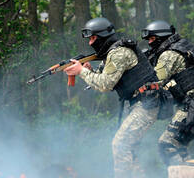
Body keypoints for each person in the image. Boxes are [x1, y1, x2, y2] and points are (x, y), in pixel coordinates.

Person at [64, 17, 161, 177]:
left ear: (103, 36)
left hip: (146, 103)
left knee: (121, 144)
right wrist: (88, 70)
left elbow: (105, 84)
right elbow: (103, 79)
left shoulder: (119, 52)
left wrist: (81, 71)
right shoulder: (113, 53)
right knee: (130, 149)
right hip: (139, 103)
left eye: (93, 38)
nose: (90, 43)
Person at [141, 20, 194, 165]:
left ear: (161, 38)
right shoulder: (183, 46)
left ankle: (179, 172)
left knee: (167, 145)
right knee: (180, 146)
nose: (150, 43)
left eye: (152, 39)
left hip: (193, 105)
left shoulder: (169, 54)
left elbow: (156, 81)